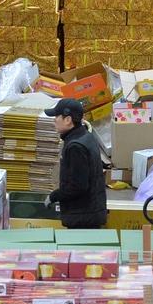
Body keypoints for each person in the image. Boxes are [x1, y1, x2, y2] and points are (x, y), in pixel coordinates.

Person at [45, 98, 107, 229]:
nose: (54, 119)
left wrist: (54, 196)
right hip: (90, 212)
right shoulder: (85, 136)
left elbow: (78, 186)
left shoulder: (75, 147)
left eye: (57, 116)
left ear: (68, 120)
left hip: (83, 218)